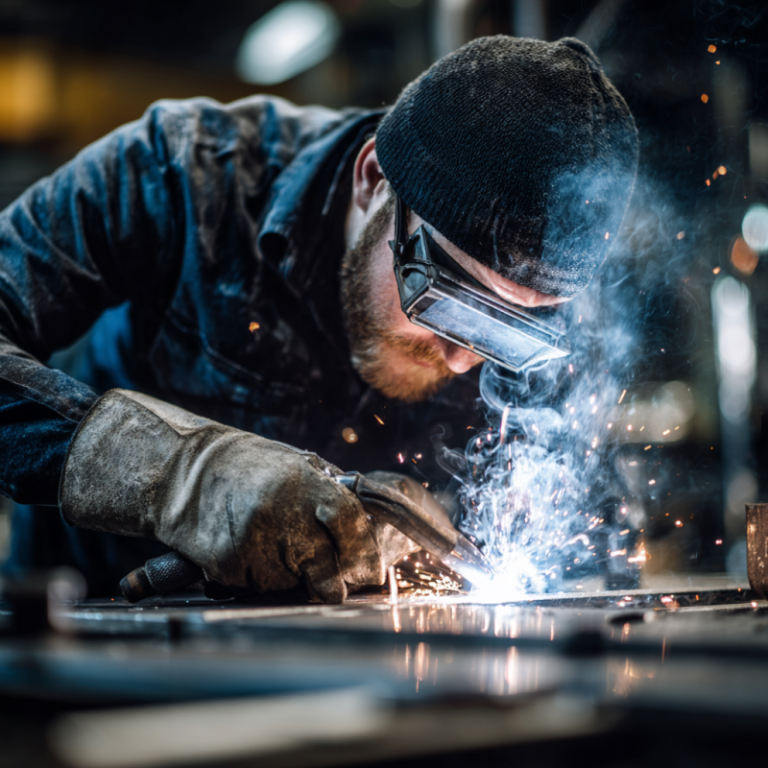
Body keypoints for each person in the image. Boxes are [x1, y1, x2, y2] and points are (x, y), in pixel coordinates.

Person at [0, 36, 638, 600]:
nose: (461, 358)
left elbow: (596, 524)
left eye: (506, 335)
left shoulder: (554, 322)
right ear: (371, 182)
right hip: (92, 619)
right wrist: (173, 476)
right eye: (448, 303)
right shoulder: (186, 175)